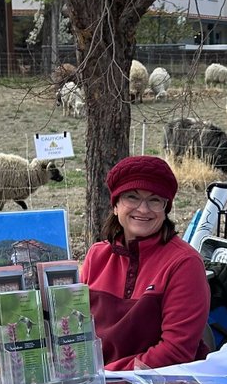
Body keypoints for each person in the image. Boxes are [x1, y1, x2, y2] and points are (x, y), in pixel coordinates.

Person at [81, 156, 211, 370]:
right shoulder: (96, 256)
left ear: (165, 208)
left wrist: (106, 376)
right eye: (132, 197)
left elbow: (176, 350)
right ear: (115, 206)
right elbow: (77, 330)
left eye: (154, 200)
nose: (143, 209)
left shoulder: (184, 263)